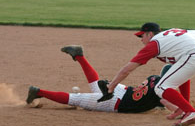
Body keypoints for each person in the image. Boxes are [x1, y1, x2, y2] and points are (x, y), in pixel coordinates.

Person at [104, 22, 195, 126]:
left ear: (150, 34)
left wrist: (111, 86)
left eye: (142, 35)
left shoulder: (154, 44)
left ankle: (192, 112)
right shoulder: (176, 34)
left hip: (194, 56)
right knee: (179, 72)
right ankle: (184, 109)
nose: (141, 39)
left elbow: (127, 69)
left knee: (160, 87)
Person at [26, 45, 177, 114]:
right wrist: (180, 110)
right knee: (76, 99)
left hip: (122, 90)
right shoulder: (163, 91)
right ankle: (39, 92)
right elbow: (165, 102)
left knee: (94, 86)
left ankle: (79, 56)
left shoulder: (154, 78)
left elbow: (150, 96)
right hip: (115, 102)